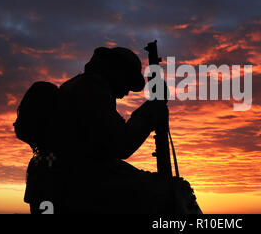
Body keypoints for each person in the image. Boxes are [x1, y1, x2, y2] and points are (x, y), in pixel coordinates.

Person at [24, 46, 196, 214]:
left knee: (162, 185)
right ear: (117, 72)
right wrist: (154, 106)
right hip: (73, 181)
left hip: (55, 178)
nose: (127, 92)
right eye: (128, 83)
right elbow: (121, 144)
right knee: (176, 191)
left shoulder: (79, 85)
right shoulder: (91, 87)